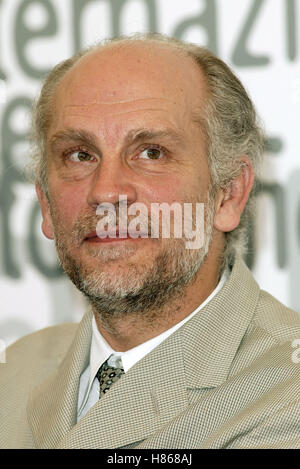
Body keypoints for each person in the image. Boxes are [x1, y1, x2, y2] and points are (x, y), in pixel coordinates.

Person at [1, 33, 300, 449]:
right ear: (46, 204)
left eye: (151, 153)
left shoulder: (289, 395)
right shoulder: (13, 372)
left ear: (228, 193)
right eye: (79, 155)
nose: (106, 192)